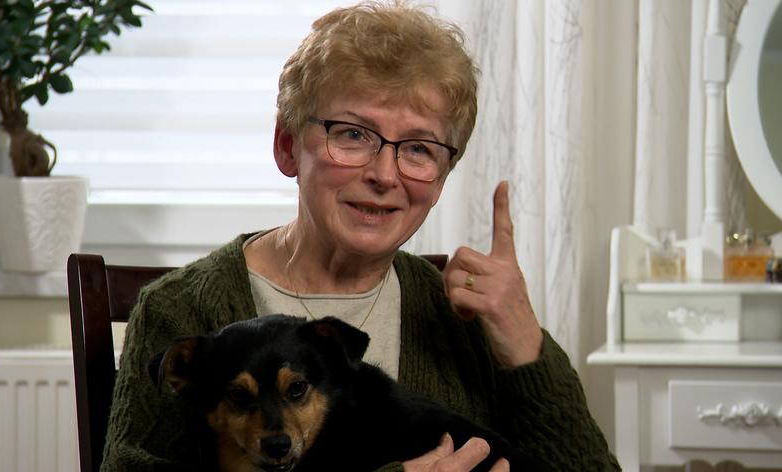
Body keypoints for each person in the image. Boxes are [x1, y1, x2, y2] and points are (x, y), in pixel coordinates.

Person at [101, 2, 620, 471]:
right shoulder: (177, 310)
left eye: (418, 148)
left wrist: (526, 344)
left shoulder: (464, 316)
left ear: (441, 179)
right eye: (352, 134)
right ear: (287, 146)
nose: (384, 175)